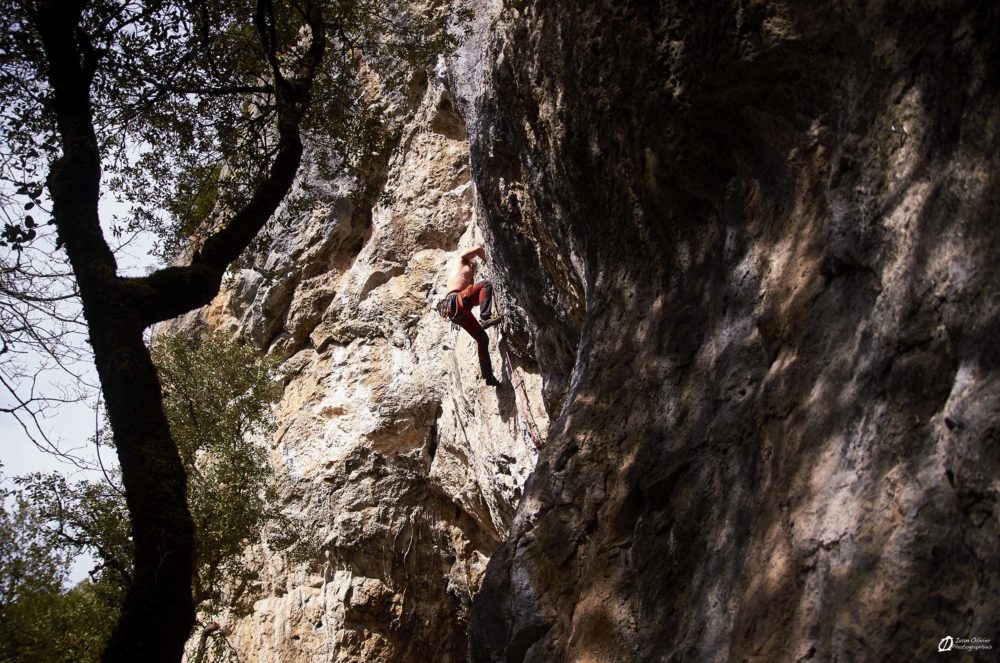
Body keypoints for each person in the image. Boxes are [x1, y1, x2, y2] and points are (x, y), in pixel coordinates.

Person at [437, 245, 502, 386]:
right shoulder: (462, 260)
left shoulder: (466, 277)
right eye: (474, 268)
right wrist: (490, 261)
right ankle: (485, 317)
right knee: (486, 284)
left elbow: (476, 297)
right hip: (456, 301)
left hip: (456, 312)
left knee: (482, 339)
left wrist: (473, 278)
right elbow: (478, 248)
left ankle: (488, 376)